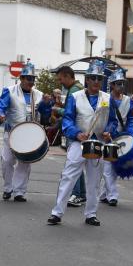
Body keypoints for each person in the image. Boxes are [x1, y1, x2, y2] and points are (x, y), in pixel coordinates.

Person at [48, 60, 116, 227]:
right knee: (68, 177)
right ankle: (57, 212)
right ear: (86, 79)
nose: (96, 81)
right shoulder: (74, 97)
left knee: (94, 180)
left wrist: (109, 131)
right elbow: (67, 121)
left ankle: (91, 214)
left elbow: (113, 121)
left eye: (99, 78)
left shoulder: (108, 98)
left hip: (98, 143)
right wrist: (77, 134)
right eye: (92, 78)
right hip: (79, 143)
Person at [0, 60, 44, 202]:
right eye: (28, 78)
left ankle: (19, 192)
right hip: (11, 132)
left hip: (29, 134)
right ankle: (7, 188)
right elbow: (0, 107)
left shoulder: (39, 95)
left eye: (33, 79)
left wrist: (48, 105)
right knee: (7, 160)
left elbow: (45, 112)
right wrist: (0, 114)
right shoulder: (9, 91)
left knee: (25, 163)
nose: (31, 82)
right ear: (21, 78)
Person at [99, 69, 133, 207]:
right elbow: (102, 118)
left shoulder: (127, 100)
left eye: (123, 83)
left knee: (113, 167)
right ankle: (113, 195)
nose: (121, 86)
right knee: (108, 166)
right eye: (118, 83)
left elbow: (130, 119)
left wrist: (131, 133)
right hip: (107, 137)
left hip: (122, 138)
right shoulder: (104, 99)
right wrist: (105, 132)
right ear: (112, 85)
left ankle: (103, 194)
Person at [53, 65, 87, 207]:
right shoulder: (79, 87)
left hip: (74, 133)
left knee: (73, 165)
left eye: (61, 79)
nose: (60, 82)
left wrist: (56, 109)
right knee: (77, 164)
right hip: (78, 132)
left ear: (68, 76)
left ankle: (77, 194)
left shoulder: (74, 90)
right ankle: (82, 194)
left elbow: (69, 112)